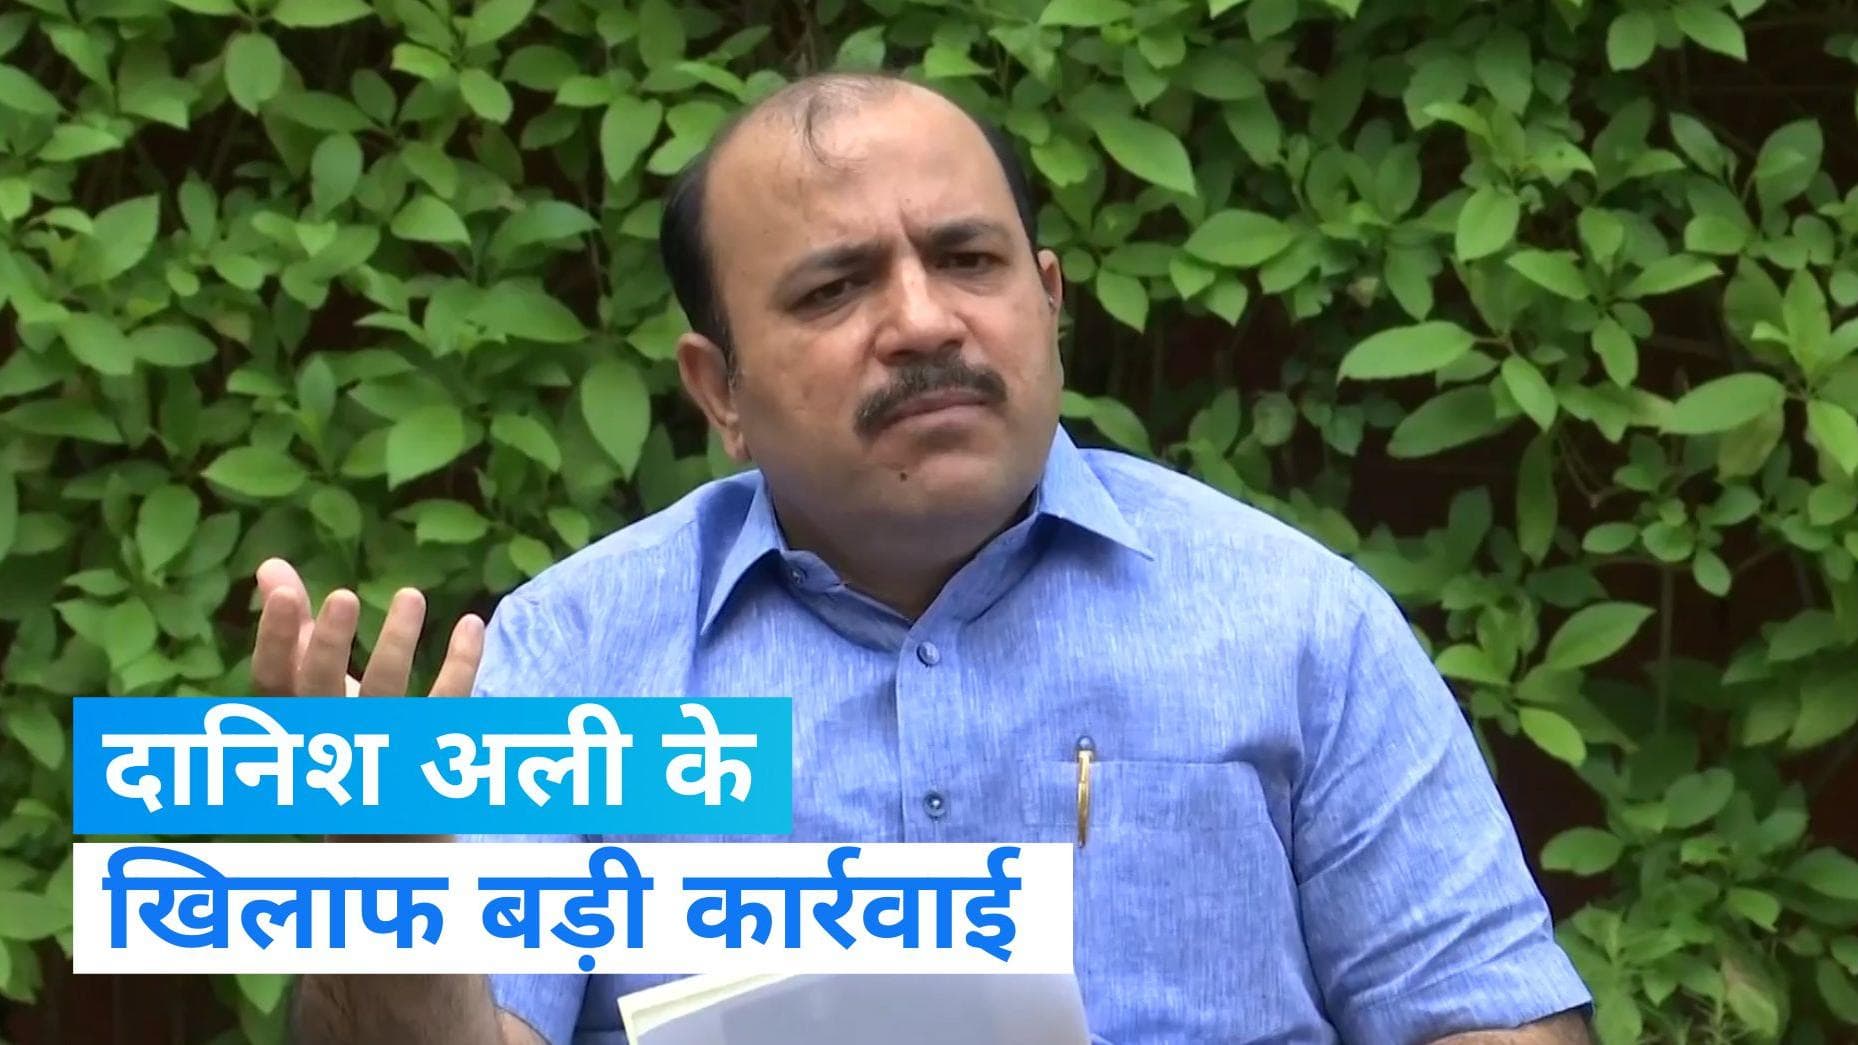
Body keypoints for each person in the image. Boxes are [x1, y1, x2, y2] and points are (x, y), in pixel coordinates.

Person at [273, 71, 1595, 1044]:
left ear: (1049, 301)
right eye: (833, 288)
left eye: (967, 259)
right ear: (720, 387)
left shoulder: (1295, 619)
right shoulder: (574, 650)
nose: (920, 321)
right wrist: (385, 924)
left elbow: (1487, 1015)